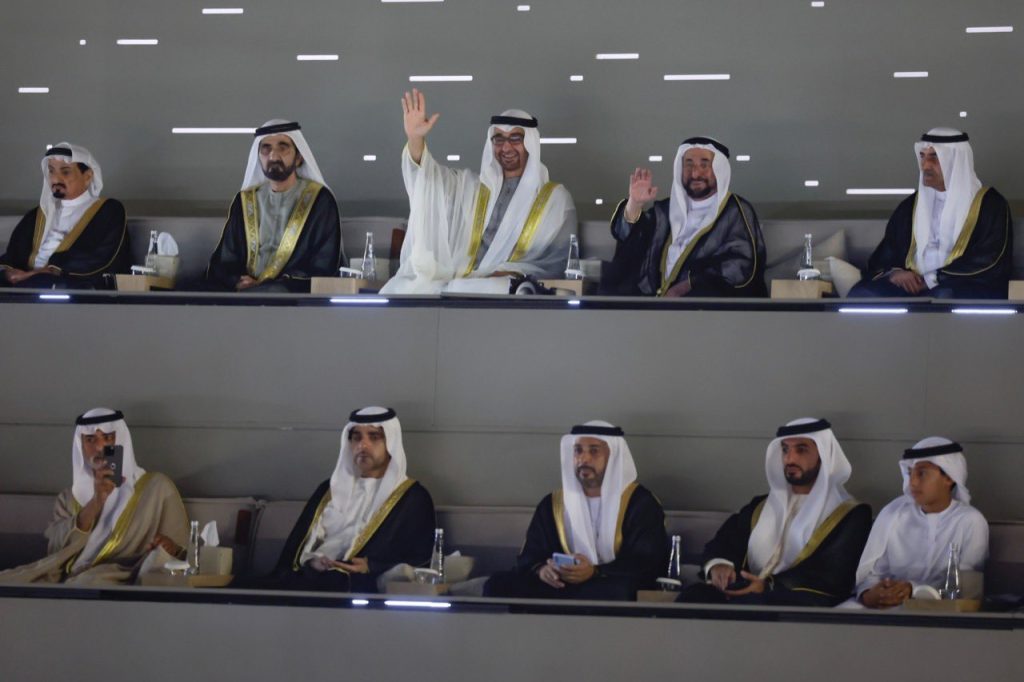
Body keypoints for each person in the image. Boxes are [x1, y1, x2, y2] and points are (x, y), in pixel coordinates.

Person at [381, 89, 577, 294]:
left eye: (515, 138)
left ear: (530, 143)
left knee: (494, 287)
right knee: (401, 287)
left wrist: (513, 272)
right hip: (461, 281)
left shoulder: (555, 199)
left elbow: (557, 262)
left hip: (505, 286)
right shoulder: (472, 188)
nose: (506, 147)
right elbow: (430, 182)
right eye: (499, 139)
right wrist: (415, 139)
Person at [678, 418, 871, 607]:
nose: (790, 459)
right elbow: (726, 541)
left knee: (753, 604)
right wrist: (719, 564)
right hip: (745, 593)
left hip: (797, 600)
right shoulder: (760, 506)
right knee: (695, 595)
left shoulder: (850, 514)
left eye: (801, 450)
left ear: (823, 455)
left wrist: (768, 586)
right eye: (785, 450)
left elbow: (831, 573)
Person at [0, 408, 188, 585]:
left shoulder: (156, 488)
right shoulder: (68, 498)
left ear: (121, 440)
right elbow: (55, 552)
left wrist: (170, 547)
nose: (99, 447)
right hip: (65, 578)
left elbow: (184, 552)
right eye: (90, 439)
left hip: (123, 575)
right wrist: (97, 501)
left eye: (108, 437)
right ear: (81, 446)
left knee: (87, 582)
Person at [484, 421, 668, 600]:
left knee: (618, 591)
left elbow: (646, 561)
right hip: (561, 583)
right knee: (497, 584)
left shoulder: (640, 502)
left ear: (613, 457)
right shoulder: (553, 503)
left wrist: (594, 571)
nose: (583, 459)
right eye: (578, 450)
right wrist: (542, 570)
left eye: (594, 451)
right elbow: (531, 554)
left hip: (608, 582)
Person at [261, 407, 435, 593]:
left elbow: (421, 560)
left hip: (359, 585)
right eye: (356, 437)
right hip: (311, 577)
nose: (362, 445)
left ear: (391, 443)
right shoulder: (328, 489)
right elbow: (294, 551)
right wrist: (312, 562)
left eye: (374, 437)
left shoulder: (412, 497)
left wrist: (371, 566)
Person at [849, 128, 1012, 299]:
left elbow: (989, 260)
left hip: (960, 286)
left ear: (955, 161)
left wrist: (933, 279)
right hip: (910, 285)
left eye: (935, 157)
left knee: (943, 296)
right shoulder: (911, 205)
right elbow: (887, 253)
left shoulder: (990, 205)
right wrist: (895, 273)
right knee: (863, 294)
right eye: (922, 156)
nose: (925, 166)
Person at [602, 137, 766, 297]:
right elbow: (628, 238)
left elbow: (741, 263)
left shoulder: (735, 210)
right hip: (653, 307)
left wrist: (687, 286)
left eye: (704, 165)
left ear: (719, 169)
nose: (695, 173)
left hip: (703, 308)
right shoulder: (664, 211)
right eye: (689, 164)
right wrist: (635, 203)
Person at [206, 120, 343, 293]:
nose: (273, 156)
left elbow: (324, 264)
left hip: (292, 293)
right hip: (245, 292)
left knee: (275, 291)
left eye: (283, 147)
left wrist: (272, 284)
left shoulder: (320, 201)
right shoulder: (245, 201)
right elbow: (226, 259)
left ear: (299, 158)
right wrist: (237, 281)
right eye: (266, 148)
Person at [852, 438, 988, 609]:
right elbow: (871, 574)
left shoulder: (970, 521)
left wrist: (913, 590)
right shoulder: (893, 513)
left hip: (939, 610)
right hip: (884, 605)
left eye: (922, 473)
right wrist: (869, 594)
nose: (913, 482)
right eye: (910, 473)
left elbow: (965, 589)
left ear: (949, 478)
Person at [1, 144, 128, 289]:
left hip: (70, 284)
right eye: (51, 171)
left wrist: (39, 273)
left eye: (65, 172)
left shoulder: (107, 210)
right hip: (27, 281)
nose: (56, 179)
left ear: (87, 177)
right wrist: (10, 273)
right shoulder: (37, 215)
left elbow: (96, 258)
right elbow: (13, 255)